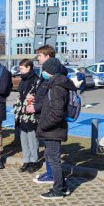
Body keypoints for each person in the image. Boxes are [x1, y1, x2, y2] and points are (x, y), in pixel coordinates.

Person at [35, 57, 76, 199]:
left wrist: (44, 125)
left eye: (45, 70)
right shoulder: (54, 85)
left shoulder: (57, 87)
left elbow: (57, 113)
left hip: (53, 130)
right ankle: (63, 187)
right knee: (52, 158)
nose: (43, 72)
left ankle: (58, 190)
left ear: (51, 71)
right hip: (52, 129)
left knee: (54, 160)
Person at [30, 45, 64, 184]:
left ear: (47, 56)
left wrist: (36, 107)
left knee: (52, 151)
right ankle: (49, 172)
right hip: (42, 114)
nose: (38, 58)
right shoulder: (45, 73)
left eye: (40, 55)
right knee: (47, 149)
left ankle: (54, 178)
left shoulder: (56, 76)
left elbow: (50, 100)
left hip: (48, 117)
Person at [13, 59, 39, 172]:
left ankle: (34, 161)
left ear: (29, 67)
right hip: (21, 114)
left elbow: (39, 97)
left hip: (31, 114)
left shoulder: (36, 80)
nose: (20, 70)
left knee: (32, 139)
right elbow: (20, 95)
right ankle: (26, 161)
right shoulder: (23, 80)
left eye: (22, 68)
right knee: (23, 139)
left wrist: (33, 101)